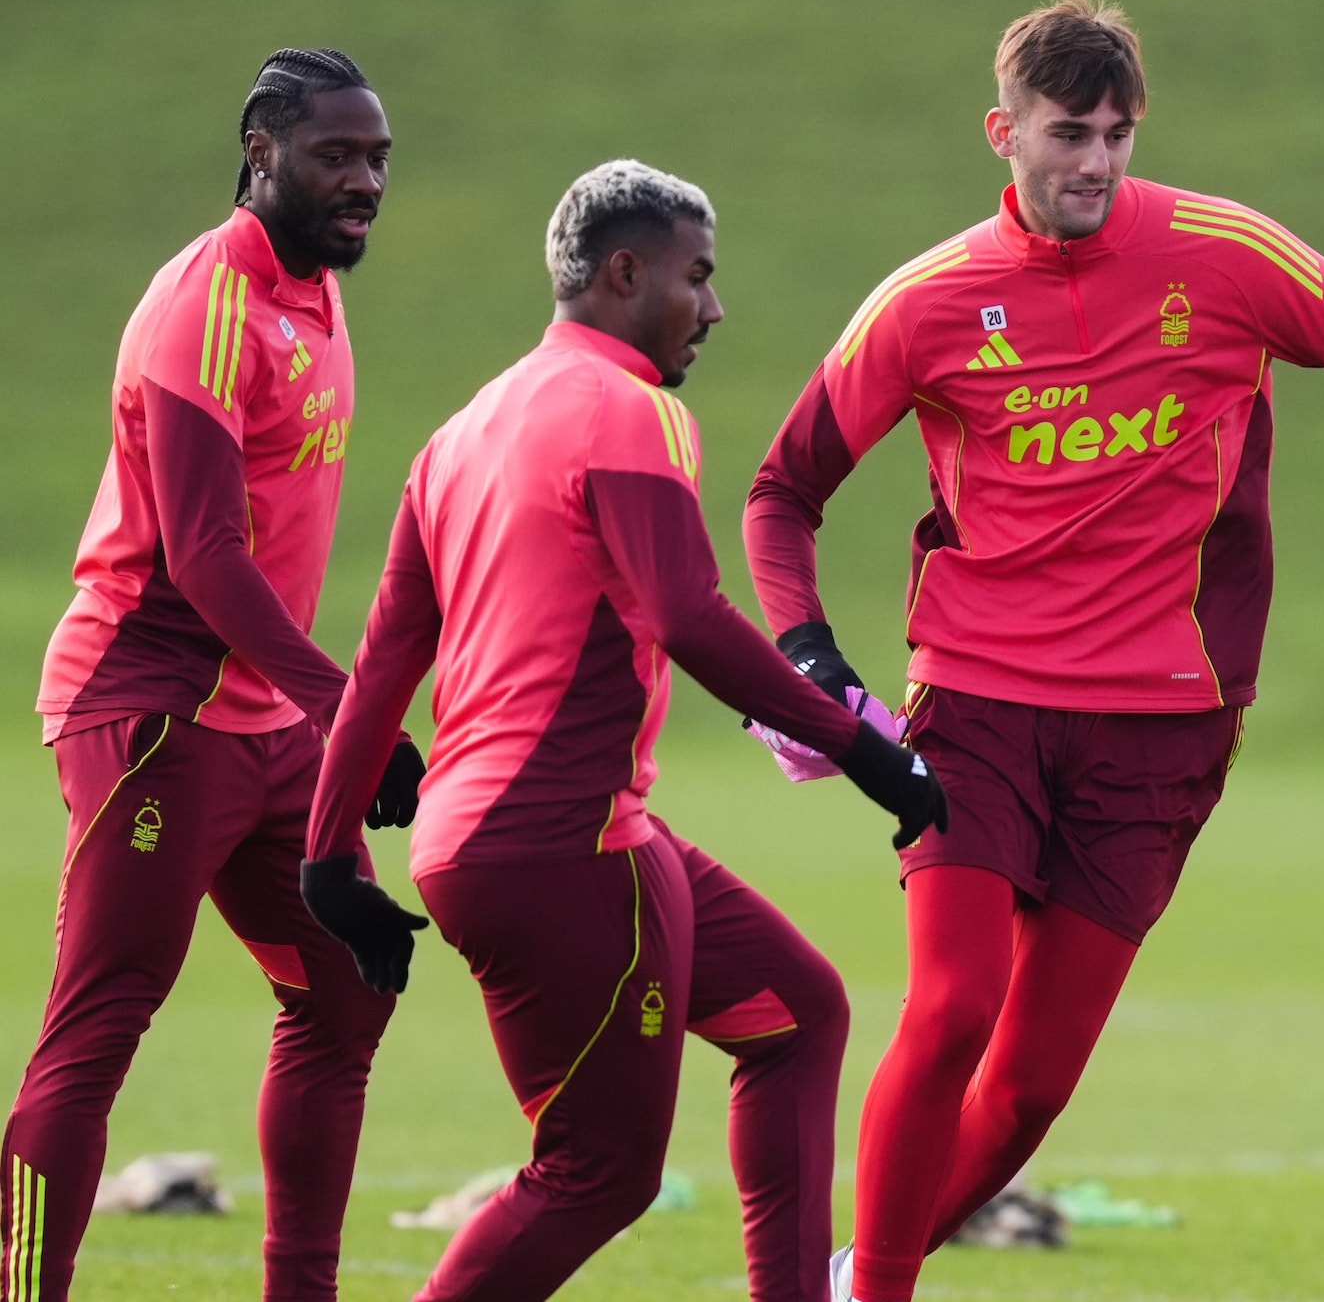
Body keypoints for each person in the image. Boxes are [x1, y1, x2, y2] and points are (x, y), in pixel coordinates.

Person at [743, 0, 1324, 1302]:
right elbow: (783, 490)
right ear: (1005, 132)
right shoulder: (930, 302)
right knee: (950, 1009)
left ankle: (840, 1273)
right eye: (1069, 133)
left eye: (1119, 132)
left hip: (1165, 719)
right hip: (978, 698)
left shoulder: (1225, 255)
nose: (1098, 161)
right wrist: (809, 650)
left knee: (1034, 1083)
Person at [300, 160, 947, 1302]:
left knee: (798, 1016)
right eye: (697, 277)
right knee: (594, 1173)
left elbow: (385, 661)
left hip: (509, 836)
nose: (713, 307)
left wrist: (328, 856)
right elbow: (686, 615)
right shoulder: (631, 410)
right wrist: (865, 752)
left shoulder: (460, 434)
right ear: (623, 272)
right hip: (560, 847)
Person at [1, 48, 421, 1302]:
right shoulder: (208, 301)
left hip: (263, 720)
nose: (363, 182)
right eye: (335, 156)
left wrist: (323, 712)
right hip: (152, 707)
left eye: (378, 159)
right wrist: (347, 706)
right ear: (260, 150)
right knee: (103, 1018)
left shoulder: (320, 293)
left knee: (345, 993)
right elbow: (203, 555)